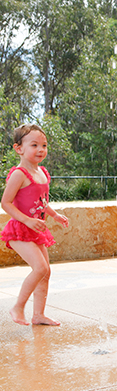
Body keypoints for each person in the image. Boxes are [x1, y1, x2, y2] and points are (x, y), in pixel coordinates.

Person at [1, 124, 69, 326]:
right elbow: (5, 203)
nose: (41, 150)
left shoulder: (42, 173)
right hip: (20, 229)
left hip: (36, 230)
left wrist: (54, 215)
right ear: (18, 148)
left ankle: (38, 315)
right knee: (39, 268)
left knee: (46, 272)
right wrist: (27, 220)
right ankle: (18, 306)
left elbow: (41, 202)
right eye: (34, 145)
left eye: (44, 145)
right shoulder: (19, 174)